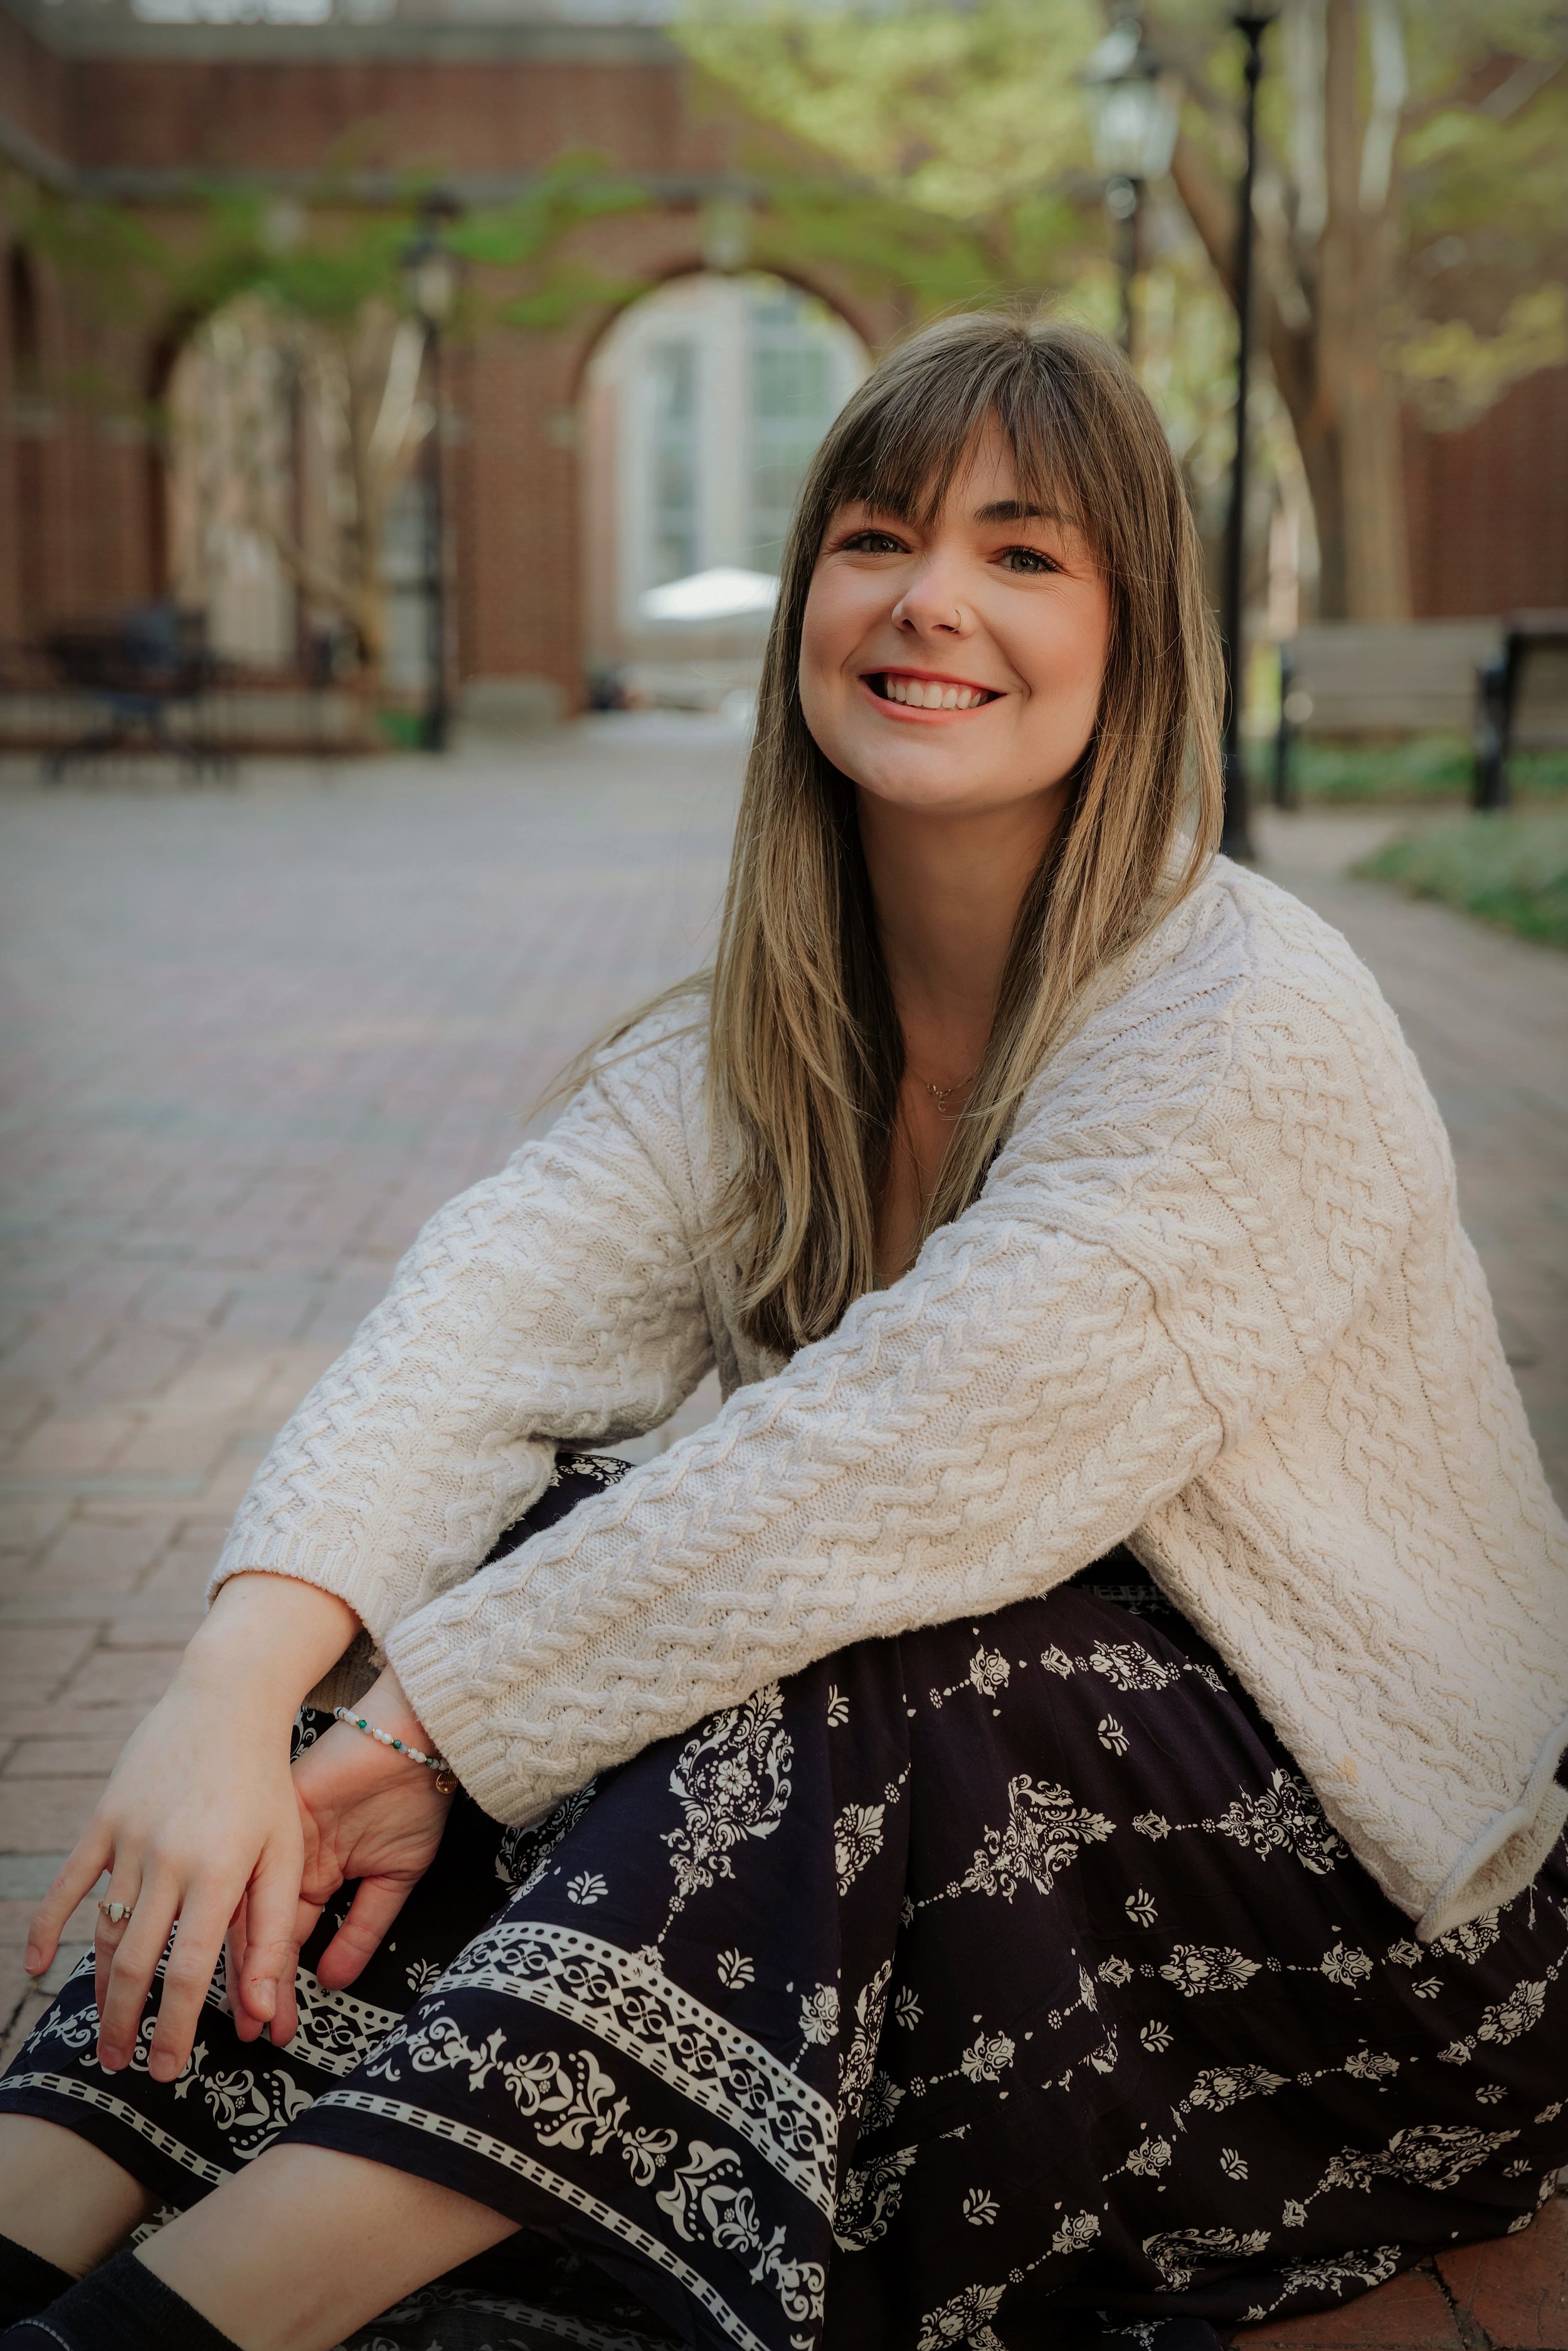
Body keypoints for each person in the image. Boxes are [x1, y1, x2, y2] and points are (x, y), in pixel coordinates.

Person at [1, 312, 1564, 2351]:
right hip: (991, 1859)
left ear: (1134, 637)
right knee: (529, 1535)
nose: (930, 601)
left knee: (845, 1632)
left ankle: (187, 2318)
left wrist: (415, 1731)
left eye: (1023, 553)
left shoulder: (1246, 1017)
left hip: (1383, 1947)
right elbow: (478, 1327)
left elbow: (897, 1460)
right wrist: (236, 1687)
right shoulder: (763, 1036)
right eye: (876, 536)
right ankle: (46, 2192)